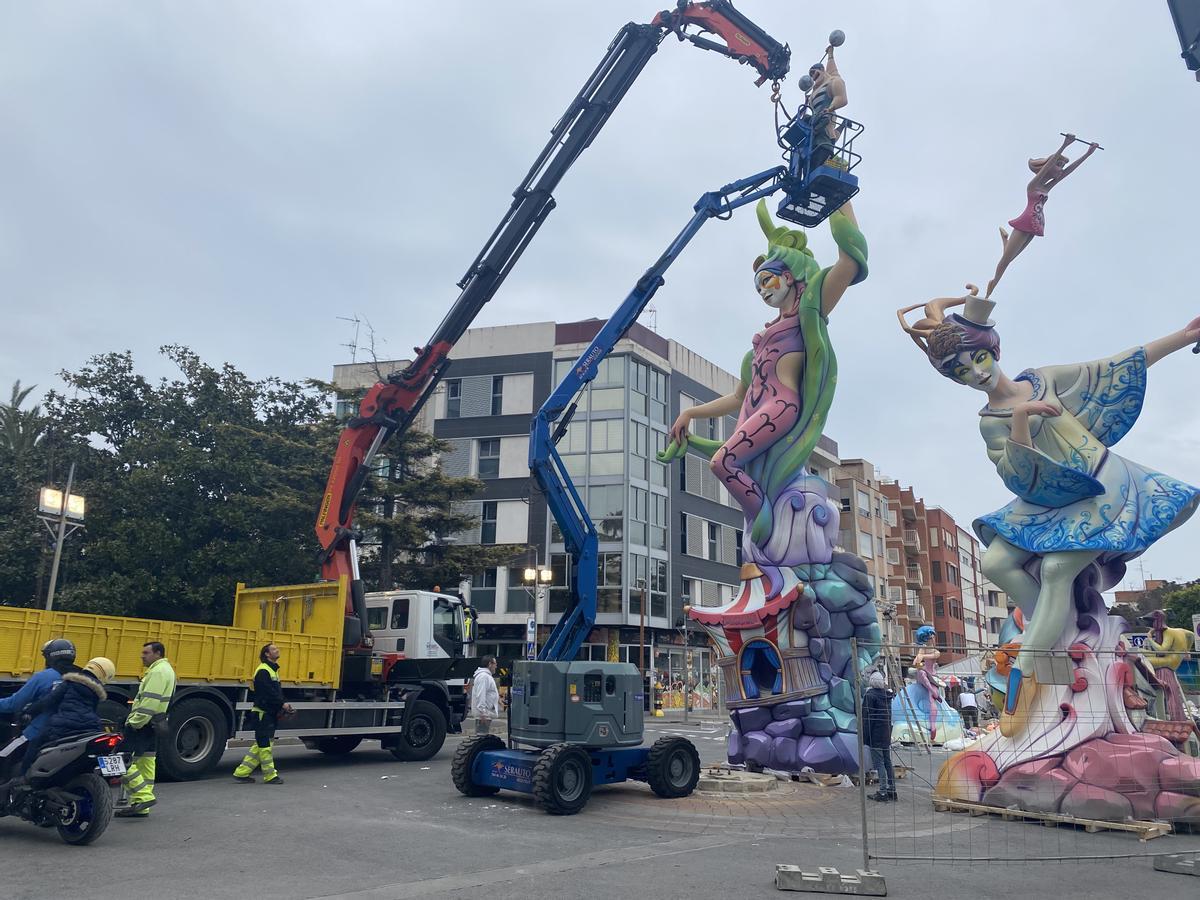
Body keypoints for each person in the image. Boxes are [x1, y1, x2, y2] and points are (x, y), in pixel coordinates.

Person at [899, 289, 1200, 737]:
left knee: (1059, 568)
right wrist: (1020, 418)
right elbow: (1013, 473)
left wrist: (1185, 335)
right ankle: (1051, 636)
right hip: (1046, 497)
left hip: (1099, 484)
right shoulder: (989, 420)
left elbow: (1111, 370)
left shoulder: (1043, 379)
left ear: (990, 349)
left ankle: (1031, 666)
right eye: (960, 372)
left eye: (975, 360)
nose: (974, 374)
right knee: (995, 561)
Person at [985, 133, 1099, 297]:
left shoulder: (1047, 187)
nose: (1060, 169)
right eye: (1058, 165)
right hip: (1025, 222)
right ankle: (993, 284)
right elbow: (1047, 167)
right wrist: (1064, 145)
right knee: (1006, 261)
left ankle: (1006, 243)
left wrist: (1088, 154)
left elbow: (1068, 172)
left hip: (1036, 224)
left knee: (1012, 257)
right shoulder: (1033, 186)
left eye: (1060, 165)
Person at [0, 639, 76, 807]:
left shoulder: (45, 676)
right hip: (74, 733)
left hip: (40, 731)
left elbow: (14, 704)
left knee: (4, 754)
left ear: (50, 657)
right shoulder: (81, 675)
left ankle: (4, 797)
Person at [19, 657, 116, 772]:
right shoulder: (97, 692)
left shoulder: (70, 682)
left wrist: (29, 711)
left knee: (35, 742)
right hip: (90, 727)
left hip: (62, 725)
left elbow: (49, 701)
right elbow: (92, 711)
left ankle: (23, 777)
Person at [117, 641, 176, 818]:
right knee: (146, 762)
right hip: (154, 724)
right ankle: (142, 805)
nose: (142, 656)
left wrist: (134, 722)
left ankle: (143, 797)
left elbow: (150, 701)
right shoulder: (166, 669)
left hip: (143, 724)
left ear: (157, 653)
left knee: (117, 760)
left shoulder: (158, 672)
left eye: (146, 652)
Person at [233, 643, 293, 785]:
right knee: (265, 745)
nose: (277, 650)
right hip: (263, 713)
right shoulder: (263, 671)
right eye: (273, 649)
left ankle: (241, 773)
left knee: (261, 744)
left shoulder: (272, 670)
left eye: (277, 648)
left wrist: (282, 704)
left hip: (267, 713)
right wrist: (282, 704)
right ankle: (270, 775)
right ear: (266, 654)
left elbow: (276, 692)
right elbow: (268, 692)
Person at [863, 671, 895, 802]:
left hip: (875, 735)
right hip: (886, 734)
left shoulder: (869, 696)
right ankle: (891, 789)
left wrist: (865, 737)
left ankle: (882, 792)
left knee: (879, 763)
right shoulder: (887, 696)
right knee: (887, 762)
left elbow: (867, 718)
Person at [470, 655, 500, 735]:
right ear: (490, 664)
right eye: (495, 664)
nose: (496, 666)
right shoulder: (483, 677)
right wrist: (483, 713)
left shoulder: (486, 676)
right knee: (481, 737)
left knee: (483, 737)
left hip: (486, 714)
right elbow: (481, 694)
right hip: (484, 715)